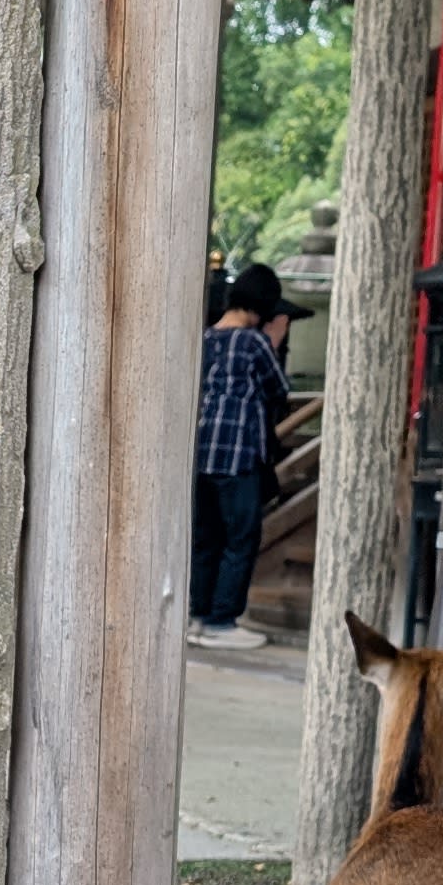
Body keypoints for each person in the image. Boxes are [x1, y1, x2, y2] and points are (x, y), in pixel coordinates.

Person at [189, 262, 289, 653]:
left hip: (200, 455)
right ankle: (221, 619)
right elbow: (277, 389)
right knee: (240, 538)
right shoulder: (255, 343)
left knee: (205, 537)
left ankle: (198, 614)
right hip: (237, 456)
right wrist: (275, 342)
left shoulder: (206, 338)